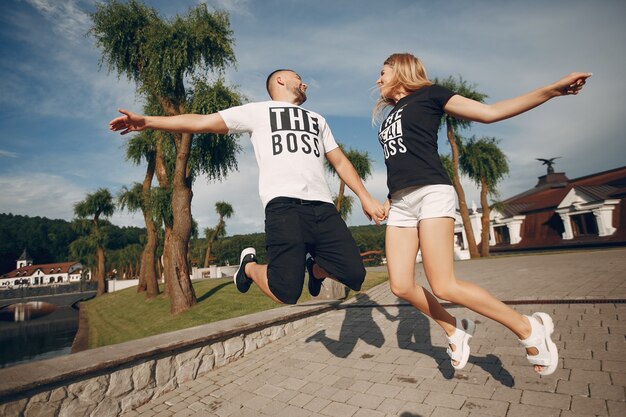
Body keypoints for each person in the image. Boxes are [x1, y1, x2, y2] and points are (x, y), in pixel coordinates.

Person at [373, 52, 590, 375]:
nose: (378, 79)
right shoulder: (391, 114)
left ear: (403, 71)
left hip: (431, 192)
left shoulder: (431, 94)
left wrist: (551, 90)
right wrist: (391, 197)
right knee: (401, 286)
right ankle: (455, 327)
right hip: (402, 202)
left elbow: (490, 112)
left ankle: (528, 328)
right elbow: (401, 158)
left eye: (383, 72)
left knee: (444, 285)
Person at [109, 69, 385, 305]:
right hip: (284, 207)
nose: (305, 84)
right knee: (285, 292)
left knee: (354, 274)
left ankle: (315, 271)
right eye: (298, 79)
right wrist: (147, 121)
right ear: (279, 82)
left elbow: (340, 161)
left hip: (322, 207)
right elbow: (202, 121)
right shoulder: (258, 112)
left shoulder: (317, 120)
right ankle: (249, 266)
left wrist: (365, 197)